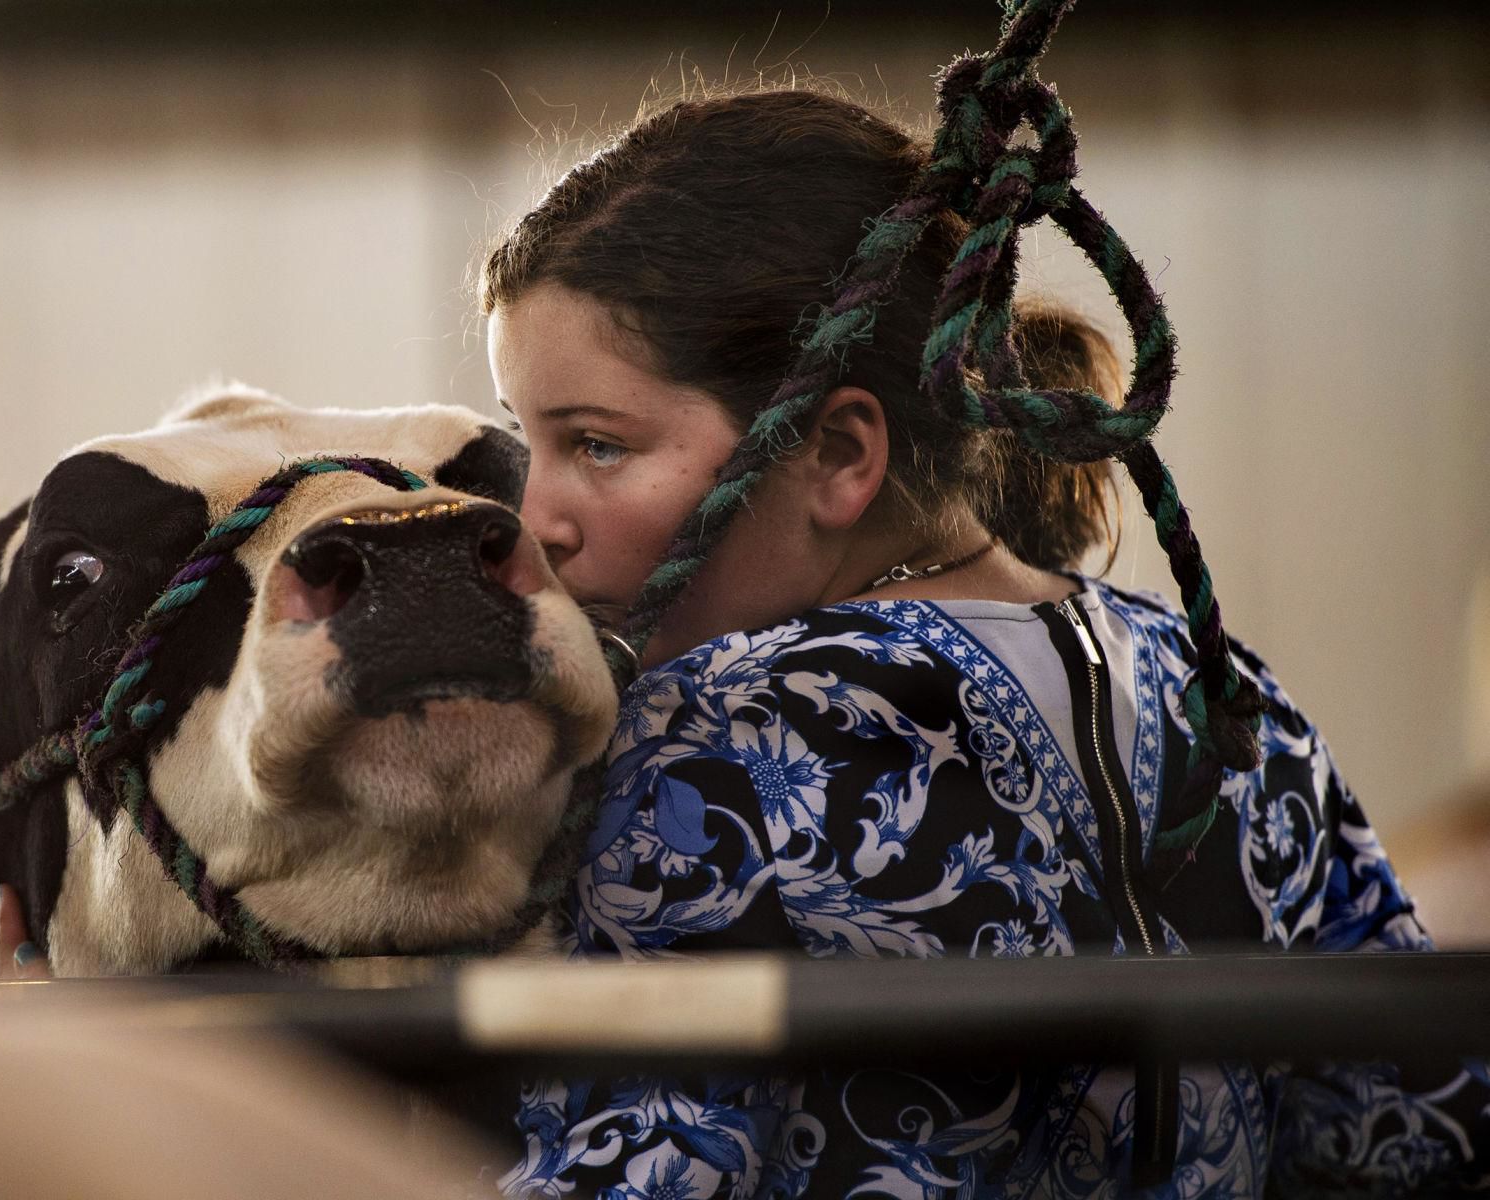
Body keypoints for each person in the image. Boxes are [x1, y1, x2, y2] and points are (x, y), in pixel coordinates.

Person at [481, 82, 1484, 1197]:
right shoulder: (1228, 695)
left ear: (836, 454)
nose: (538, 523)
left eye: (597, 446)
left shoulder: (714, 733)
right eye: (529, 446)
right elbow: (1418, 1135)